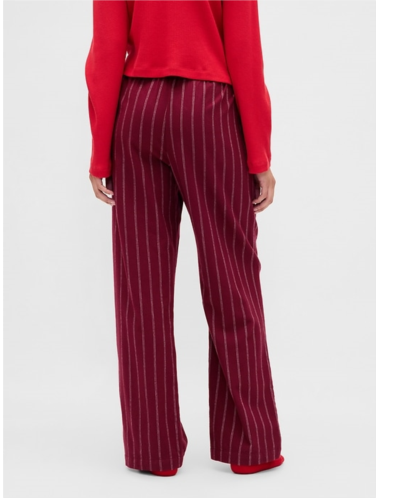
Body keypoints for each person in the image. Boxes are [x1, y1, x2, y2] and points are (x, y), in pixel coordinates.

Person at [85, 0, 283, 477]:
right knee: (231, 278)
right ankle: (251, 445)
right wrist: (259, 154)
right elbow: (244, 50)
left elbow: (107, 48)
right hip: (208, 111)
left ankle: (152, 450)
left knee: (141, 290)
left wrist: (100, 151)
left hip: (137, 112)